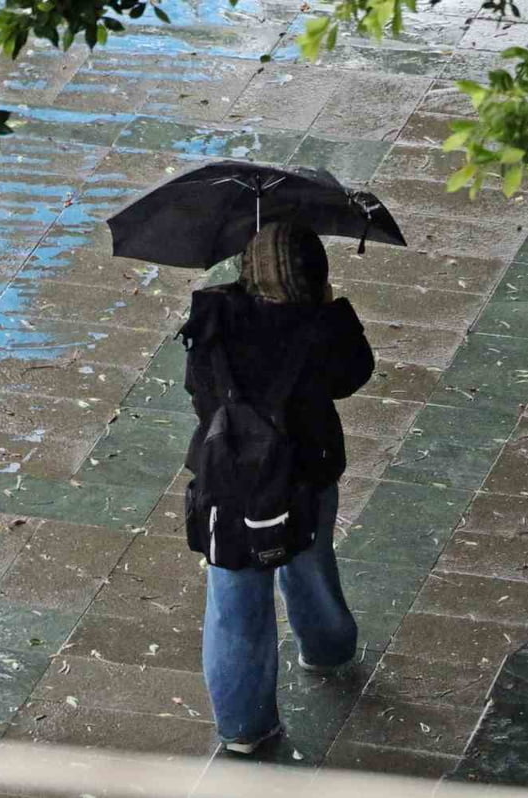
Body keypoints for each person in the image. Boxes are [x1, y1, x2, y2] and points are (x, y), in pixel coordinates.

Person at [177, 220, 375, 755]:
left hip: (227, 483)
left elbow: (198, 390)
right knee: (310, 560)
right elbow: (353, 375)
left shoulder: (213, 316)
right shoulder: (317, 327)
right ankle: (328, 649)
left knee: (234, 601)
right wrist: (332, 309)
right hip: (305, 474)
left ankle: (244, 727)